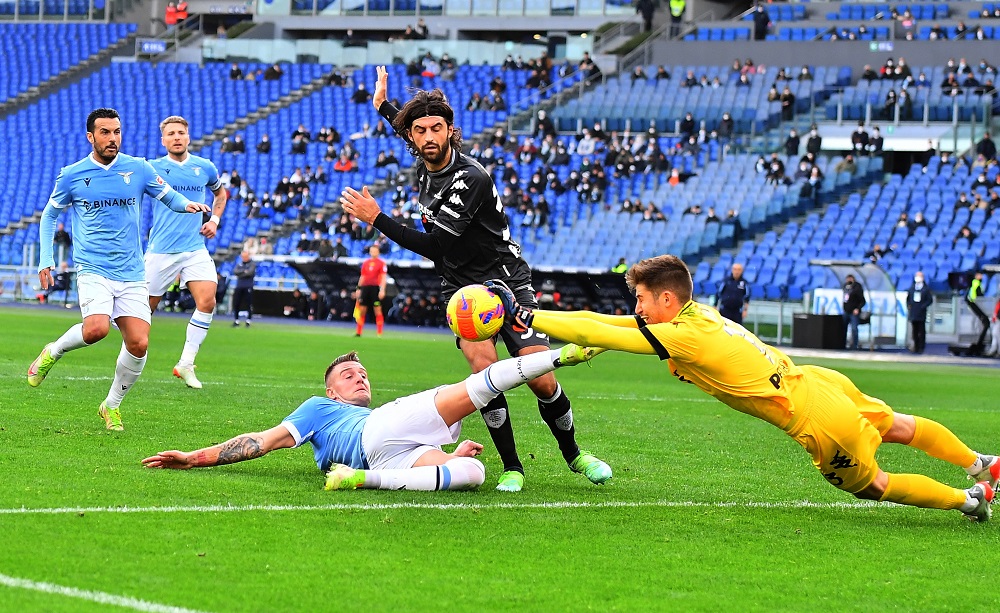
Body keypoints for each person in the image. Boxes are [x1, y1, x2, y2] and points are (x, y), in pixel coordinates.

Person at [484, 256, 999, 522]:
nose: (637, 308)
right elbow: (610, 327)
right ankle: (982, 461)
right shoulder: (696, 314)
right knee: (900, 426)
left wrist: (527, 315)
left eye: (642, 298)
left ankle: (969, 500)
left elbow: (600, 328)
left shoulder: (682, 336)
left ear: (666, 298)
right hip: (819, 381)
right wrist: (592, 344)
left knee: (873, 485)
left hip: (815, 420)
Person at [340, 66, 611, 493]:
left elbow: (438, 246)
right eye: (419, 130)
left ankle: (575, 455)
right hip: (461, 289)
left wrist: (377, 219)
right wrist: (383, 107)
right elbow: (403, 125)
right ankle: (513, 467)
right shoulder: (422, 154)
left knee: (540, 377)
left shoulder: (472, 177)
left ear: (451, 130)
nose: (428, 137)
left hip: (506, 281)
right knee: (484, 373)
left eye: (436, 129)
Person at [142, 346, 602, 491]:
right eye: (347, 374)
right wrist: (195, 459)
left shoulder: (387, 414)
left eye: (362, 373)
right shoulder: (320, 409)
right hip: (375, 436)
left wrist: (447, 455)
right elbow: (261, 441)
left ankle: (360, 480)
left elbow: (419, 453)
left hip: (383, 459)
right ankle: (563, 355)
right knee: (482, 384)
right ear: (331, 390)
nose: (359, 379)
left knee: (473, 472)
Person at [27, 108, 210, 431]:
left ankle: (111, 405)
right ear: (91, 136)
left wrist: (189, 205)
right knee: (96, 329)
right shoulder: (72, 174)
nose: (112, 139)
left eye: (117, 132)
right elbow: (48, 216)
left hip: (132, 271)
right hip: (93, 267)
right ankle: (52, 351)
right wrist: (46, 258)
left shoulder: (138, 168)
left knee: (139, 343)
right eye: (105, 133)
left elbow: (168, 196)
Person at [146, 115, 229, 390]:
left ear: (188, 136)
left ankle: (186, 363)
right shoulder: (153, 168)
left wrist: (214, 221)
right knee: (143, 311)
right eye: (171, 134)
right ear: (163, 140)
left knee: (207, 301)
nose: (176, 137)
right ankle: (131, 359)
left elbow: (221, 194)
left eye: (180, 132)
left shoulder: (204, 167)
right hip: (161, 250)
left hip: (194, 248)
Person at [354, 245, 387, 338]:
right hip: (365, 288)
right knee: (362, 310)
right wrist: (358, 288)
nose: (373, 253)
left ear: (378, 252)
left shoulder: (381, 263)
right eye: (372, 251)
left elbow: (383, 277)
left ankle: (379, 333)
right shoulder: (366, 263)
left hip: (375, 288)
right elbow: (362, 276)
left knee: (377, 309)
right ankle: (358, 332)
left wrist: (382, 289)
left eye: (375, 251)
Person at [906, 271, 932, 354]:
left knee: (921, 330)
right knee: (915, 331)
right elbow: (908, 299)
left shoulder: (926, 289)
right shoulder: (912, 288)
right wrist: (909, 305)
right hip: (913, 312)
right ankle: (915, 347)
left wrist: (922, 306)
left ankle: (921, 347)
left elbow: (929, 300)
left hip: (921, 313)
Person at [231, 251, 256, 327]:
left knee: (248, 304)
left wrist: (241, 273)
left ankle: (248, 321)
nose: (244, 258)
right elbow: (235, 271)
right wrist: (244, 271)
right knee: (236, 303)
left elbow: (250, 272)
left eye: (245, 256)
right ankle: (236, 320)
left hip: (248, 286)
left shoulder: (252, 264)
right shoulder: (240, 263)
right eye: (242, 256)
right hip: (239, 286)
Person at [842, 274, 866, 350]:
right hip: (846, 311)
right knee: (843, 328)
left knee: (854, 329)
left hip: (854, 312)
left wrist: (857, 309)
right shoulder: (845, 287)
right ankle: (843, 344)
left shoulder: (857, 287)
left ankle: (854, 345)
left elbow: (863, 301)